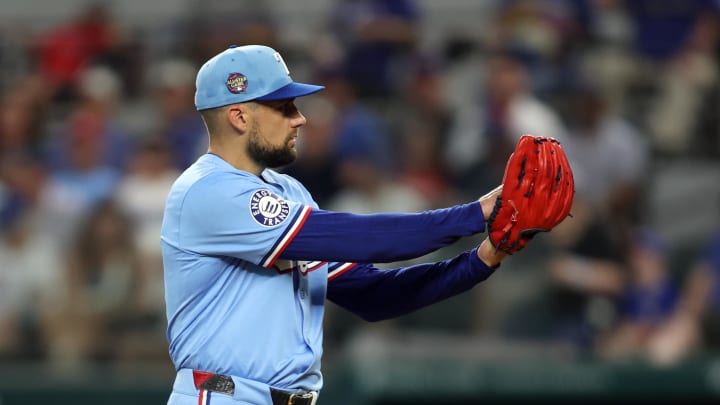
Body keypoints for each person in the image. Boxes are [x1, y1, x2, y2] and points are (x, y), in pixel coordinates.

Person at [161, 44, 513, 405]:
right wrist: (477, 212)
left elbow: (373, 295)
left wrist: (483, 258)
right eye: (284, 108)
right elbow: (360, 238)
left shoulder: (290, 191)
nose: (300, 118)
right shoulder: (207, 191)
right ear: (239, 117)